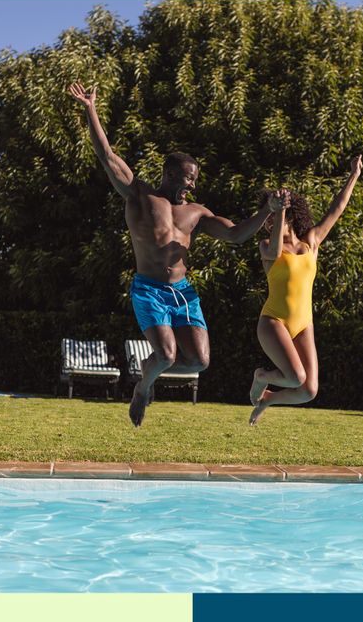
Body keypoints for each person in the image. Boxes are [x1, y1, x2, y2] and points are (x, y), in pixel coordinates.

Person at [68, 82, 279, 426]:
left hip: (183, 293)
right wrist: (91, 108)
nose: (192, 185)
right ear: (169, 174)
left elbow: (236, 235)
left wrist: (266, 211)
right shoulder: (140, 195)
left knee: (199, 361)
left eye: (194, 180)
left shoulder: (197, 213)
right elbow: (106, 155)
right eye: (188, 178)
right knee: (166, 355)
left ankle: (148, 368)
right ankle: (143, 387)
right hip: (149, 289)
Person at [248, 155, 363, 425]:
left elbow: (337, 208)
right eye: (268, 215)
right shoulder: (267, 247)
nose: (269, 220)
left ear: (291, 214)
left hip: (303, 323)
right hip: (273, 321)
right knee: (295, 377)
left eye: (274, 214)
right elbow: (275, 251)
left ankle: (268, 398)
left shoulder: (311, 242)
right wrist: (278, 211)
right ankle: (261, 376)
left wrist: (354, 175)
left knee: (308, 390)